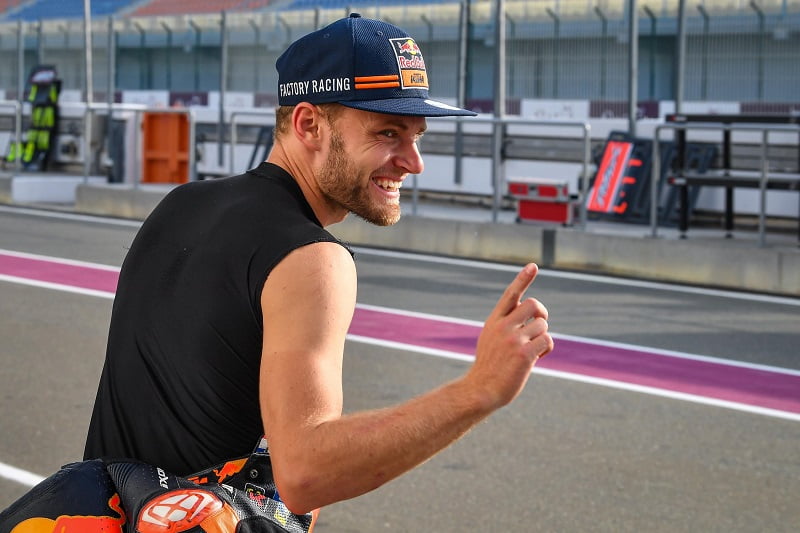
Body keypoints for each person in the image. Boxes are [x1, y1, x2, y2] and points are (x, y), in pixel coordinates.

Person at [83, 13, 554, 518]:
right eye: (388, 133)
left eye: (417, 136)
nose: (414, 162)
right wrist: (478, 390)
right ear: (309, 124)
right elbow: (306, 473)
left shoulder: (182, 203)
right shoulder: (312, 259)